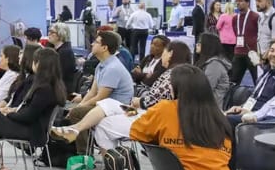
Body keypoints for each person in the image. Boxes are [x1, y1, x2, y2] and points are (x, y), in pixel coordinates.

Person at [53, 41, 192, 151]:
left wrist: (138, 100)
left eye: (165, 52)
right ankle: (76, 129)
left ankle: (110, 167)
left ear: (171, 53)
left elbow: (151, 102)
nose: (162, 55)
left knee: (102, 123)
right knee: (108, 103)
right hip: (142, 112)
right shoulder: (176, 73)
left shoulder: (171, 75)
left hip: (148, 116)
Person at [59, 30, 134, 153]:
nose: (92, 44)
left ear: (104, 48)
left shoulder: (113, 68)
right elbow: (92, 92)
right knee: (75, 110)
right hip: (104, 106)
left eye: (96, 42)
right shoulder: (101, 65)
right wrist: (80, 104)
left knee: (76, 113)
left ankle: (84, 153)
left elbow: (100, 97)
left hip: (119, 108)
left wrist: (79, 108)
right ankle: (81, 150)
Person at [224, 38, 275, 124]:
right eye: (272, 50)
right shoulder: (267, 72)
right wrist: (241, 107)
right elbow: (255, 97)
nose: (274, 54)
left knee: (220, 120)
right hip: (249, 111)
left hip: (262, 118)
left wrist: (254, 113)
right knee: (216, 116)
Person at [195, 32, 231, 108]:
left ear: (207, 46)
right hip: (203, 104)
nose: (197, 44)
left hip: (211, 107)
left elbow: (206, 89)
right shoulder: (205, 62)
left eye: (200, 42)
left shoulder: (215, 65)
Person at [229, 0, 259, 86]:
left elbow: (259, 33)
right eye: (236, 1)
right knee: (233, 80)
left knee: (257, 79)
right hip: (238, 52)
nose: (238, 3)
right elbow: (236, 33)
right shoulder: (235, 18)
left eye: (241, 1)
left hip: (252, 53)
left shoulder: (255, 17)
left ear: (247, 3)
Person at [47, 22, 77, 93]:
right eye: (49, 31)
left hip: (61, 89)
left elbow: (60, 74)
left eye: (52, 32)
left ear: (60, 34)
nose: (49, 34)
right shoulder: (56, 49)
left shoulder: (65, 52)